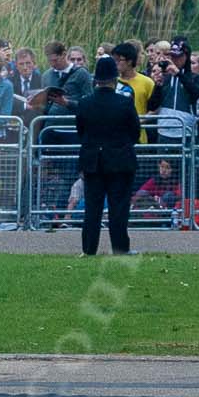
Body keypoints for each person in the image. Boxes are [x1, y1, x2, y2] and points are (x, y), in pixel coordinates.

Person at [75, 56, 138, 256]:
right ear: (115, 78)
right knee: (118, 207)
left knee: (92, 208)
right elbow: (135, 131)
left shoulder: (85, 103)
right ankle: (120, 248)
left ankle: (89, 248)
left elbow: (81, 131)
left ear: (96, 79)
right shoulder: (124, 103)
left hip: (93, 160)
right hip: (119, 160)